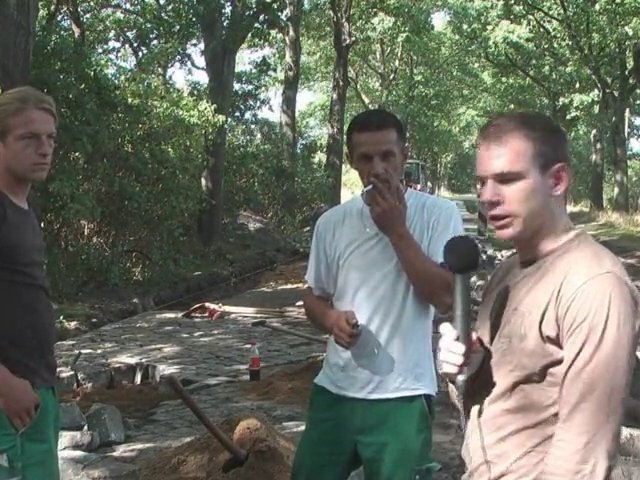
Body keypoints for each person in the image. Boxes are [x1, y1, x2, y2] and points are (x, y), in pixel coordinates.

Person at [437, 111, 640, 479]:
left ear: (557, 180)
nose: (488, 197)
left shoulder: (594, 284)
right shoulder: (507, 270)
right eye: (481, 182)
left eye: (507, 180)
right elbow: (487, 400)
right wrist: (468, 367)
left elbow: (582, 458)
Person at [291, 108, 465, 479]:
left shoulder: (438, 214)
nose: (378, 168)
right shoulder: (332, 223)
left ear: (404, 155)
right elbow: (313, 296)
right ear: (352, 161)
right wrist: (331, 319)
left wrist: (397, 230)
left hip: (402, 394)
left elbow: (444, 298)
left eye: (388, 155)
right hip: (335, 391)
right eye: (366, 158)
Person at [0, 86, 60, 479]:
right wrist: (4, 384)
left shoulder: (22, 209)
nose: (44, 149)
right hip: (8, 403)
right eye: (29, 138)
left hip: (36, 395)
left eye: (50, 138)